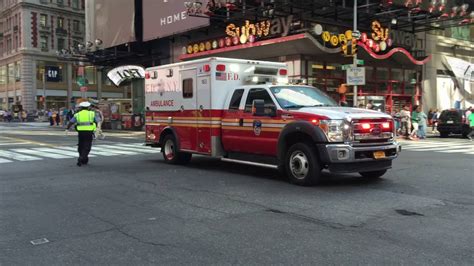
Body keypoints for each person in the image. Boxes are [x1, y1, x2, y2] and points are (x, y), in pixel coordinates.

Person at [66, 101, 101, 166]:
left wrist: (67, 129)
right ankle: (82, 157)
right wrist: (98, 130)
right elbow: (98, 121)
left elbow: (71, 122)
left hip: (80, 132)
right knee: (87, 145)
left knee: (81, 144)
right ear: (88, 107)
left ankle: (83, 158)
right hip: (89, 132)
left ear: (81, 108)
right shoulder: (92, 113)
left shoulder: (77, 114)